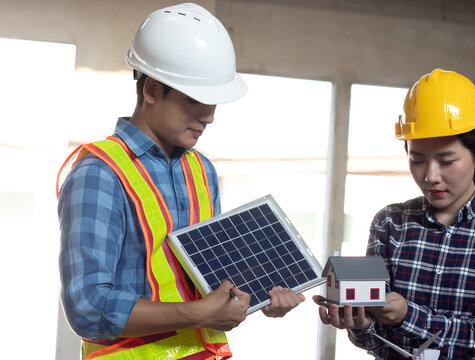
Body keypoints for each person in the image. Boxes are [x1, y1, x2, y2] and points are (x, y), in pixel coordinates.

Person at [57, 3, 304, 359]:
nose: (210, 116)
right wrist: (200, 313)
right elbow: (87, 307)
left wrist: (260, 294)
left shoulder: (202, 171)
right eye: (196, 100)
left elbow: (212, 280)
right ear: (153, 90)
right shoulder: (100, 174)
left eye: (215, 101)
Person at [313, 68, 475, 359]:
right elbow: (374, 340)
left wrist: (408, 316)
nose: (430, 176)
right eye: (417, 160)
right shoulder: (389, 222)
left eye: (446, 161)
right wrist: (361, 324)